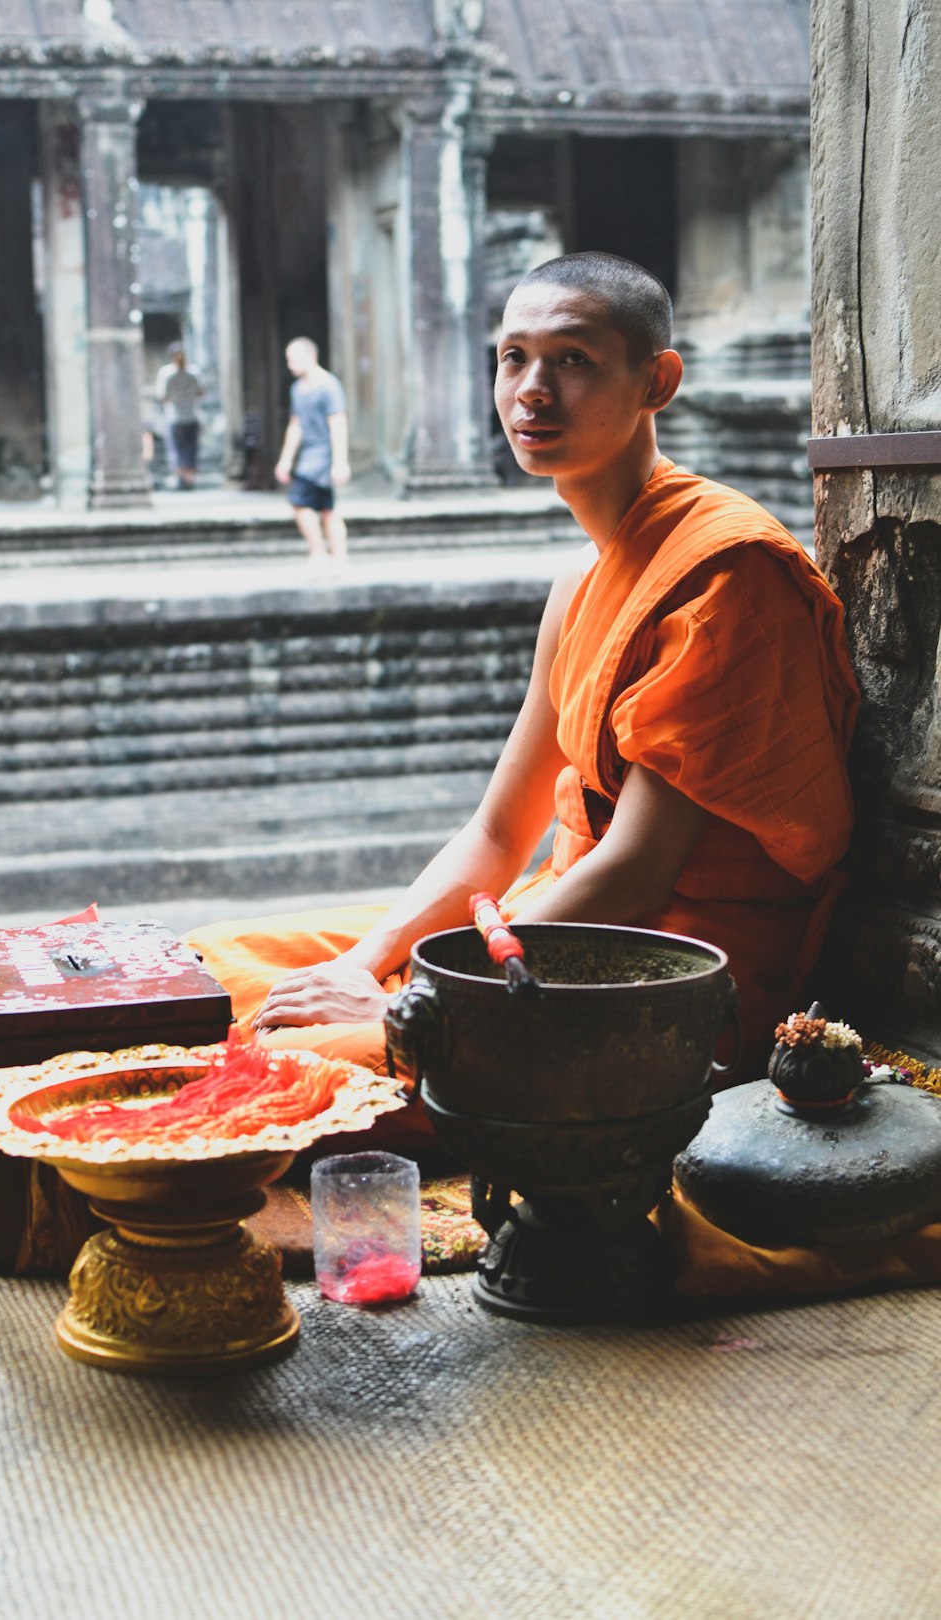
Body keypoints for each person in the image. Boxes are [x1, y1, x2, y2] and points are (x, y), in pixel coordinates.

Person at [185, 252, 857, 1133]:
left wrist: (419, 996)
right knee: (227, 969)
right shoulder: (580, 582)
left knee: (280, 1073)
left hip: (669, 979)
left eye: (573, 360)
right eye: (513, 358)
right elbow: (502, 830)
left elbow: (637, 871)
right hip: (550, 927)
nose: (532, 391)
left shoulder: (722, 574)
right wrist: (367, 963)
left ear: (658, 381)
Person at [274, 337, 350, 567]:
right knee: (327, 508)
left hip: (323, 455)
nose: (290, 364)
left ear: (311, 357)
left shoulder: (329, 385)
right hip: (308, 454)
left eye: (294, 359)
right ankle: (338, 557)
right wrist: (285, 459)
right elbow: (295, 425)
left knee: (299, 500)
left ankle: (319, 553)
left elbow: (338, 423)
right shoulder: (297, 389)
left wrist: (340, 461)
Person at [155, 341, 205, 489]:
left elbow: (161, 396)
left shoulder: (167, 373)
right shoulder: (193, 372)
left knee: (178, 449)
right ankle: (187, 478)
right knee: (188, 448)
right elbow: (201, 392)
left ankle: (184, 478)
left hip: (177, 417)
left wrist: (176, 397)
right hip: (188, 416)